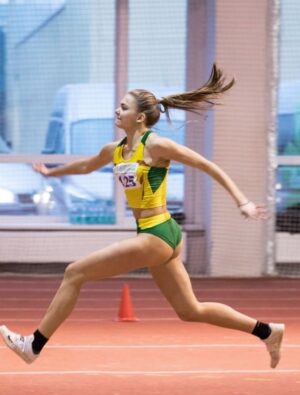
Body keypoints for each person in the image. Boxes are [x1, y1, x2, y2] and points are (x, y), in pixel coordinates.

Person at [0, 64, 284, 368]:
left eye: (123, 106)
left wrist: (242, 201)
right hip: (158, 234)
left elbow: (207, 165)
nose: (116, 110)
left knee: (74, 272)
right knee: (190, 310)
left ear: (139, 117)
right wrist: (51, 172)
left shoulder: (157, 145)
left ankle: (34, 345)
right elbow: (85, 166)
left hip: (158, 232)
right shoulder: (116, 150)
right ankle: (267, 331)